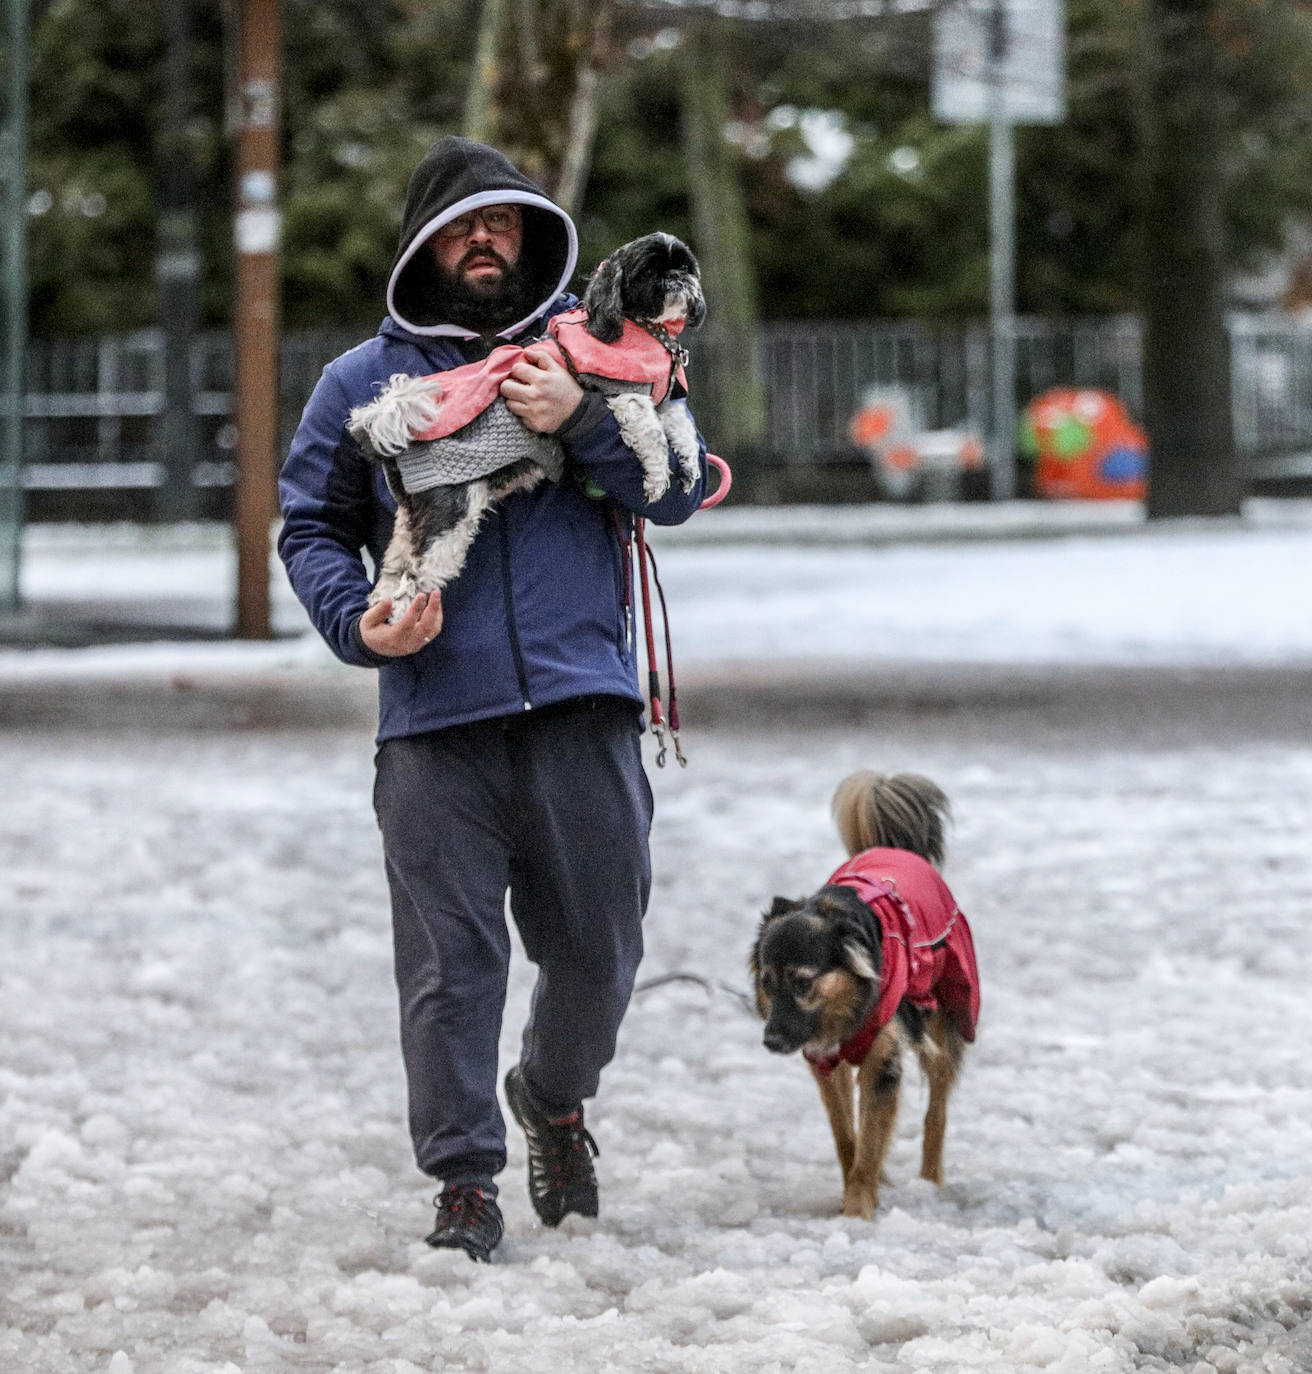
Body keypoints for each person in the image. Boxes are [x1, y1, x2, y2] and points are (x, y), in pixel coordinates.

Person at [278, 136, 706, 1263]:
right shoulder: (360, 386)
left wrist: (574, 415)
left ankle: (552, 1100)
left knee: (600, 948)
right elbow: (310, 528)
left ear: (532, 237)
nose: (484, 240)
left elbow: (667, 496)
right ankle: (463, 1181)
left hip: (582, 699)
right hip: (432, 719)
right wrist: (356, 623)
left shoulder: (602, 354)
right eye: (462, 225)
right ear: (423, 244)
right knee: (448, 966)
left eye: (503, 223)